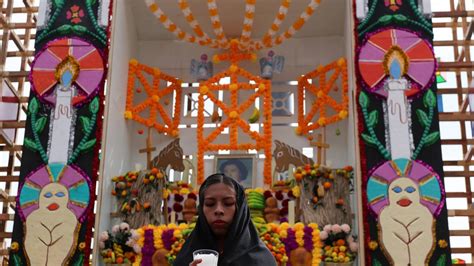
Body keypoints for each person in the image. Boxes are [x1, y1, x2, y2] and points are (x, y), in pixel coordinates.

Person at [174, 173, 276, 266]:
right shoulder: (186, 257)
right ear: (201, 209)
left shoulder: (261, 260)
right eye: (210, 204)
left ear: (240, 209)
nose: (219, 210)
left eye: (228, 203)